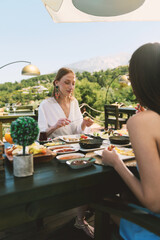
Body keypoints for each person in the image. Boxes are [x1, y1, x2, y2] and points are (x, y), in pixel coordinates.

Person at [102, 42, 160, 240]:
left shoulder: (142, 122)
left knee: (106, 200)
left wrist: (116, 162)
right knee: (126, 196)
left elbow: (154, 202)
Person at [38, 67, 94, 238]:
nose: (71, 87)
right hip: (54, 151)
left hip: (75, 147)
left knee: (88, 174)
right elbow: (41, 136)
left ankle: (80, 218)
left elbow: (77, 128)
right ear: (57, 83)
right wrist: (55, 126)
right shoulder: (46, 105)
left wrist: (84, 124)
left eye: (73, 83)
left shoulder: (75, 102)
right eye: (67, 82)